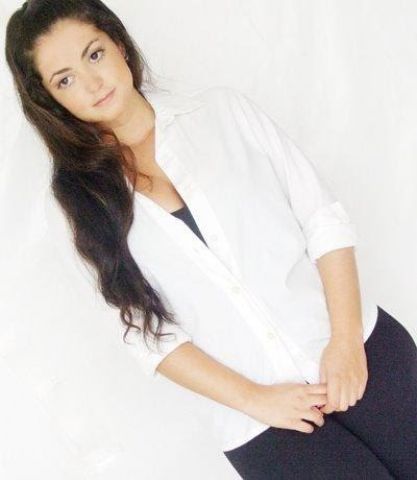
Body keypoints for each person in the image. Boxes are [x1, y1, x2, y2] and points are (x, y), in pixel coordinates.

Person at [5, 1, 417, 478]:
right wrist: (255, 399)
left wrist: (345, 342)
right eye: (65, 80)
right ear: (50, 100)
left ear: (117, 43)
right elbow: (144, 333)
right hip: (260, 424)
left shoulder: (222, 113)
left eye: (94, 54)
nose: (92, 83)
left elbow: (322, 218)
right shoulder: (73, 207)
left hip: (358, 348)